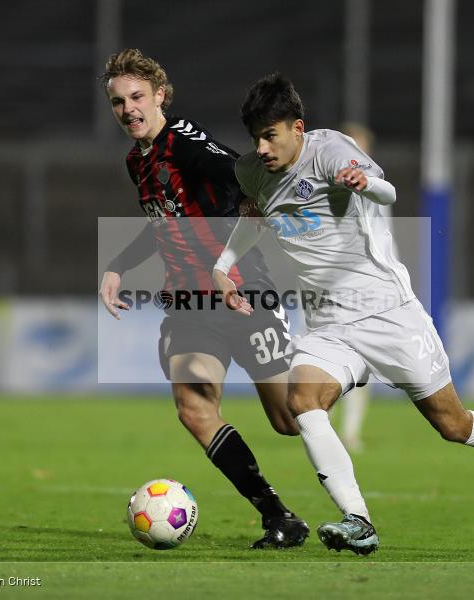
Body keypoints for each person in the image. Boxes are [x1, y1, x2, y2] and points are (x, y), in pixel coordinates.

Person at [212, 73, 474, 555]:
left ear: (297, 127)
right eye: (255, 137)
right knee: (303, 402)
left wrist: (366, 183)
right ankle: (358, 520)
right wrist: (223, 266)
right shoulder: (252, 170)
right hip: (328, 323)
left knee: (452, 424)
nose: (262, 147)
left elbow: (388, 192)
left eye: (270, 135)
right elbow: (253, 218)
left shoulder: (330, 151)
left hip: (386, 312)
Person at [97, 51, 308, 549]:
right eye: (118, 102)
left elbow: (241, 172)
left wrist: (261, 205)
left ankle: (342, 366)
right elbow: (164, 224)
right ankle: (278, 515)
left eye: (137, 97)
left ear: (160, 96)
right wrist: (118, 266)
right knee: (193, 407)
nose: (128, 109)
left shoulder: (184, 143)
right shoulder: (138, 161)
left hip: (244, 292)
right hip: (191, 305)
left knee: (289, 420)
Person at [336, 122, 377, 454]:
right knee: (321, 358)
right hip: (329, 286)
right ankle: (315, 420)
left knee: (363, 362)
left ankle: (350, 433)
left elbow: (384, 242)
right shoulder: (322, 185)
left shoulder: (375, 189)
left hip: (367, 288)